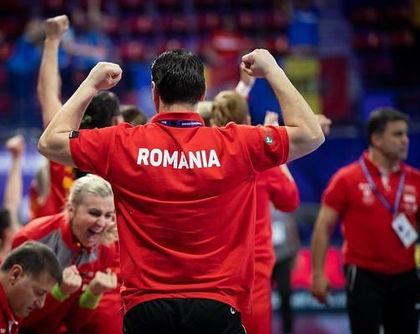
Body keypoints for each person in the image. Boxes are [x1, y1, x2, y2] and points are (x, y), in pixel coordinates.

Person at [38, 48, 324, 333]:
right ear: (202, 95)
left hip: (146, 309)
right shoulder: (238, 144)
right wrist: (272, 70)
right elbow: (311, 134)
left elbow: (50, 142)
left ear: (154, 92)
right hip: (217, 307)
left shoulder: (122, 144)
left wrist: (90, 84)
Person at [310, 107, 419, 334]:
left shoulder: (415, 180)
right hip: (363, 276)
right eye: (397, 134)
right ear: (376, 139)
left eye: (406, 135)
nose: (405, 141)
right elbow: (323, 226)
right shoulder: (347, 179)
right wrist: (318, 274)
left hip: (405, 276)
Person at [210, 93, 300, 334]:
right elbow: (290, 201)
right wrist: (274, 149)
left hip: (210, 262)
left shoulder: (202, 154)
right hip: (253, 264)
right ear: (248, 118)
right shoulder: (260, 159)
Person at [30, 15, 121, 220]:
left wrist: (52, 40)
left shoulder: (60, 144)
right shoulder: (121, 152)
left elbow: (48, 93)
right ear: (116, 121)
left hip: (56, 246)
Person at [12, 174, 119, 333]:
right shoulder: (33, 239)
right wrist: (59, 292)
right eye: (94, 213)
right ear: (71, 209)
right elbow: (17, 316)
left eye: (108, 215)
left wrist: (93, 294)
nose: (102, 223)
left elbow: (74, 324)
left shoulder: (105, 247)